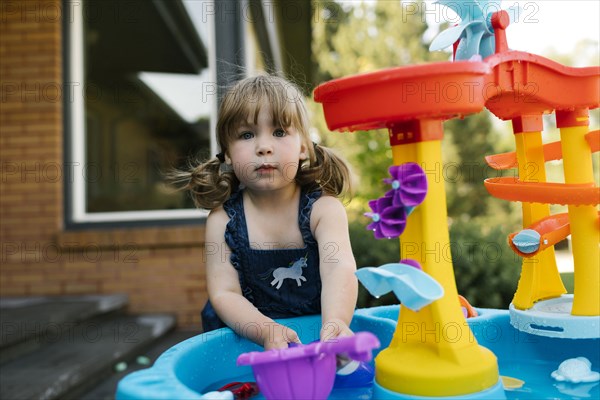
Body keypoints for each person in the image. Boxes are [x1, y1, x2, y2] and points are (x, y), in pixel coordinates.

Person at [176, 74, 358, 350]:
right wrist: (265, 331)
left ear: (303, 147)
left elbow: (339, 268)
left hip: (317, 333)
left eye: (279, 132)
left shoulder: (323, 210)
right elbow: (224, 293)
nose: (264, 147)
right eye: (246, 135)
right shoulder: (223, 220)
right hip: (245, 340)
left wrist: (336, 322)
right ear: (227, 154)